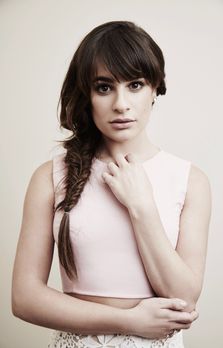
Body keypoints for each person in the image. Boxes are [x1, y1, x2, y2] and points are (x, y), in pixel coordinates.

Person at [11, 21, 212, 348]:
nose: (121, 104)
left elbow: (184, 301)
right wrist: (129, 321)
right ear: (86, 95)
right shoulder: (50, 177)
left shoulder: (191, 180)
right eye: (104, 87)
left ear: (155, 89)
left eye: (135, 85)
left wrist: (141, 206)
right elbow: (24, 298)